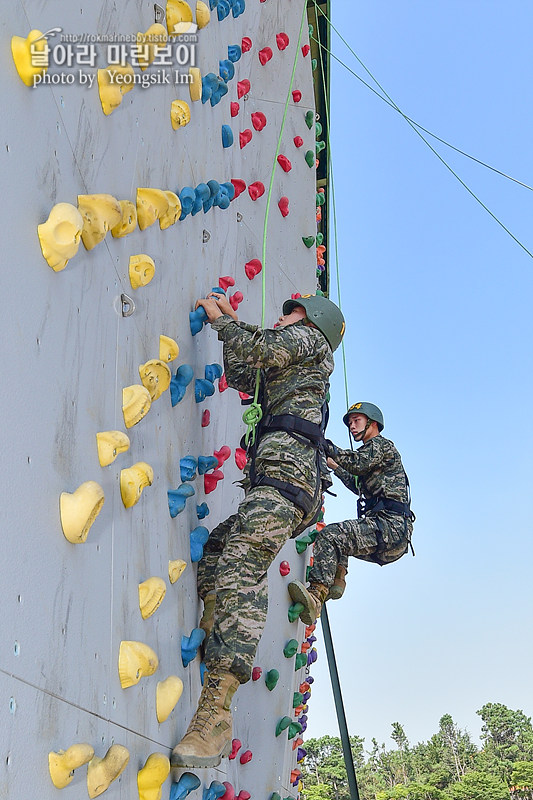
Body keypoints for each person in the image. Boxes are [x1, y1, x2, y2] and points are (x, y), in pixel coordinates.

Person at [171, 292, 345, 769]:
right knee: (220, 553)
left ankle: (217, 712)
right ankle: (216, 626)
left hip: (287, 480)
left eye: (290, 312)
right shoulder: (296, 360)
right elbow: (246, 371)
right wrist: (229, 324)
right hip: (283, 483)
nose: (283, 315)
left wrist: (227, 322)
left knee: (242, 565)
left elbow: (259, 348)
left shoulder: (311, 342)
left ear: (311, 321)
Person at [288, 402, 415, 625]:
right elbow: (358, 484)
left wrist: (326, 446)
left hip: (390, 526)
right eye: (350, 423)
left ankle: (316, 596)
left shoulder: (381, 446)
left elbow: (358, 463)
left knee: (330, 535)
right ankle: (338, 580)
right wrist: (334, 466)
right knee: (341, 540)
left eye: (357, 421)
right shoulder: (372, 457)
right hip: (391, 536)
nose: (352, 427)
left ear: (373, 424)